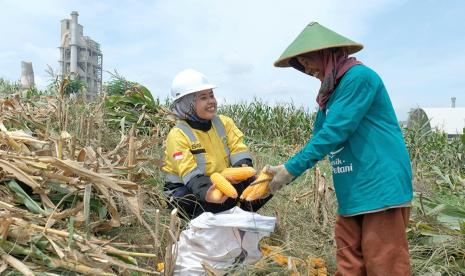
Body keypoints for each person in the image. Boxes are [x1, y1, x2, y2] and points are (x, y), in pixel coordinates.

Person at [267, 22, 413, 275]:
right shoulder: (330, 93)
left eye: (307, 60)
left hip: (379, 185)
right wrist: (283, 167)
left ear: (327, 54)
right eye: (300, 63)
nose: (306, 68)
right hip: (352, 190)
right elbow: (319, 136)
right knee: (349, 264)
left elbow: (334, 133)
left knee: (384, 264)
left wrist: (290, 170)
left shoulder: (359, 78)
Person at [162, 68, 271, 220]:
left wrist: (243, 169)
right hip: (188, 188)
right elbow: (190, 174)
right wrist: (209, 192)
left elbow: (238, 150)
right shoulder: (177, 135)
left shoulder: (224, 123)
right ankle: (202, 219)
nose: (211, 101)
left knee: (260, 183)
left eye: (211, 95)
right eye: (203, 98)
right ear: (187, 104)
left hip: (222, 180)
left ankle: (242, 216)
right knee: (187, 199)